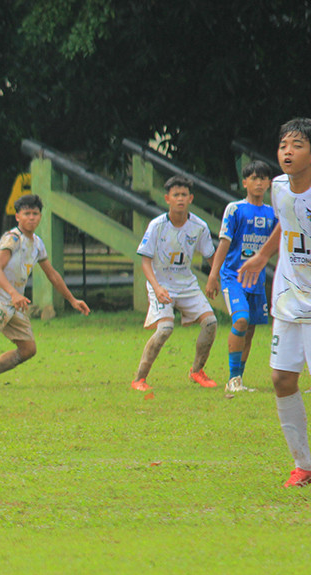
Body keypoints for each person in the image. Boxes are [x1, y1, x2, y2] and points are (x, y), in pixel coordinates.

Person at [0, 194, 90, 390]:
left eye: (35, 213)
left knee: (28, 349)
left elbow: (52, 274)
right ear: (17, 216)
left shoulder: (37, 243)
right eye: (26, 213)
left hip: (13, 300)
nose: (31, 217)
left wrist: (72, 300)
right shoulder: (12, 239)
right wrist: (13, 293)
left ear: (40, 216)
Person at [239, 118, 311, 487]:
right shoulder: (279, 188)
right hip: (287, 297)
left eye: (297, 145)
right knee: (282, 379)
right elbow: (286, 221)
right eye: (284, 145)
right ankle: (303, 463)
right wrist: (263, 255)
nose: (287, 151)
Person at [131, 175, 218, 391]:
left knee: (211, 323)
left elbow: (211, 256)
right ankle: (139, 378)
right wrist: (157, 287)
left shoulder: (199, 226)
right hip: (161, 283)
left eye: (184, 195)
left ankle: (197, 371)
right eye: (176, 195)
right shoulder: (156, 226)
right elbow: (145, 261)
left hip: (186, 284)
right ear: (167, 198)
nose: (180, 199)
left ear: (191, 198)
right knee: (165, 329)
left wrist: (213, 276)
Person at [204, 160, 278, 392]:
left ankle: (238, 379)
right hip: (233, 277)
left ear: (268, 183)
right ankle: (232, 379)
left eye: (263, 178)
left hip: (256, 280)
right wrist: (213, 274)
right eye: (253, 178)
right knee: (241, 320)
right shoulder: (235, 209)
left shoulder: (273, 213)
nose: (258, 183)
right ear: (245, 182)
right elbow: (224, 243)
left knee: (252, 328)